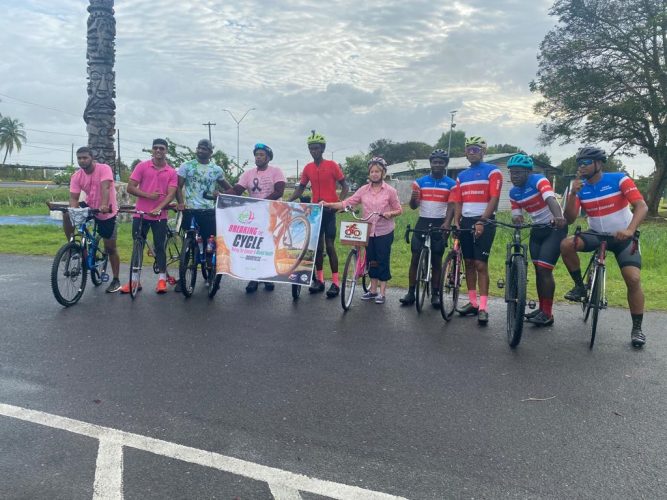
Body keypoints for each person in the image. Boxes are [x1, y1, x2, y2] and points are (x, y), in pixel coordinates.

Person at [560, 146, 648, 347]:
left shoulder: (619, 179)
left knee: (633, 279)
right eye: (579, 164)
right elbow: (570, 218)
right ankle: (580, 288)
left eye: (586, 163)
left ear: (598, 164)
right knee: (566, 244)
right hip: (596, 235)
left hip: (622, 237)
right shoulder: (578, 186)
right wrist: (573, 193)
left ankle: (637, 329)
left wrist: (630, 230)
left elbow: (641, 206)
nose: (581, 167)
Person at [323, 157, 402, 304]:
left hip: (384, 231)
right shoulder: (363, 190)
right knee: (372, 261)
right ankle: (372, 291)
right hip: (368, 230)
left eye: (377, 171)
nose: (374, 174)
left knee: (382, 260)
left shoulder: (390, 191)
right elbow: (348, 202)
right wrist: (328, 204)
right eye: (372, 171)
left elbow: (399, 209)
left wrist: (389, 214)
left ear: (383, 173)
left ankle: (382, 293)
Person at [507, 153, 567, 326]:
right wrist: (517, 219)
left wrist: (558, 217)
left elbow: (550, 199)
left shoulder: (539, 180)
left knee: (544, 270)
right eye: (511, 173)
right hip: (537, 229)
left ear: (528, 173)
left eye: (518, 172)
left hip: (554, 228)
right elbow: (516, 213)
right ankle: (542, 309)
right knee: (538, 271)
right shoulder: (513, 192)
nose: (514, 176)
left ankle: (548, 314)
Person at [449, 136, 503, 325]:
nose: (472, 152)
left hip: (485, 221)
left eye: (476, 149)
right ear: (465, 152)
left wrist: (482, 220)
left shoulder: (493, 172)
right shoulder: (462, 176)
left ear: (483, 151)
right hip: (466, 221)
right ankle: (472, 303)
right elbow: (458, 200)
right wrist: (456, 220)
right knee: (469, 262)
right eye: (469, 149)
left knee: (481, 264)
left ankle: (483, 307)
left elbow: (494, 199)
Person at [288, 130, 349, 297]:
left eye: (316, 148)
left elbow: (345, 186)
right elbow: (301, 188)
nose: (313, 151)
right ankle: (320, 281)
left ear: (322, 149)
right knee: (317, 247)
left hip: (330, 210)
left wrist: (340, 203)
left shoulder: (332, 165)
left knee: (330, 246)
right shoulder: (307, 168)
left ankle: (335, 283)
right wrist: (289, 200)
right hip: (316, 212)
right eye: (311, 148)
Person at [120, 138, 178, 294]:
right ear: (152, 150)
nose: (158, 151)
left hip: (160, 216)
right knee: (137, 246)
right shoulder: (142, 166)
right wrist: (148, 196)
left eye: (162, 148)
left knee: (159, 247)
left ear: (166, 151)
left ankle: (161, 280)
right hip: (141, 214)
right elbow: (130, 188)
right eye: (155, 148)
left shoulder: (171, 172)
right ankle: (134, 281)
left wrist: (159, 207)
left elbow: (171, 194)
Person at [399, 149, 456, 308]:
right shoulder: (420, 182)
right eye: (435, 162)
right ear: (430, 163)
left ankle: (436, 294)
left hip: (440, 223)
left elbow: (452, 205)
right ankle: (411, 293)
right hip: (423, 222)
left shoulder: (451, 184)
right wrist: (412, 200)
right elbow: (412, 206)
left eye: (441, 162)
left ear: (445, 164)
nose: (437, 164)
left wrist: (447, 223)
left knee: (437, 261)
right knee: (415, 259)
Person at [175, 139, 232, 291]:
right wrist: (181, 203)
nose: (201, 151)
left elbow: (229, 189)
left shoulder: (216, 169)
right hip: (190, 210)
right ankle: (183, 278)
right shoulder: (186, 166)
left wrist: (220, 194)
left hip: (208, 211)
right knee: (188, 243)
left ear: (210, 152)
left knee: (209, 244)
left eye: (204, 148)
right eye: (199, 147)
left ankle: (210, 272)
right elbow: (178, 186)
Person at [231, 143, 286, 293]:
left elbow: (279, 191)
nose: (258, 157)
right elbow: (237, 190)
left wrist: (263, 202)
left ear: (268, 158)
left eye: (262, 155)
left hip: (272, 213)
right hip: (255, 215)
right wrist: (223, 195)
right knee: (254, 247)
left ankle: (267, 276)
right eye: (256, 155)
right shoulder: (248, 174)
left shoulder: (276, 171)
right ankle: (254, 277)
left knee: (268, 246)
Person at [66, 146, 121, 293]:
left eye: (85, 157)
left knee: (110, 248)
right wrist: (74, 210)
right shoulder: (77, 176)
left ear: (92, 158)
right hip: (90, 205)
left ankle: (116, 279)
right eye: (79, 158)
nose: (82, 161)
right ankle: (71, 246)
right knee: (67, 212)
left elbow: (105, 188)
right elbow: (73, 198)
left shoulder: (104, 169)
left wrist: (103, 204)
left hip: (106, 209)